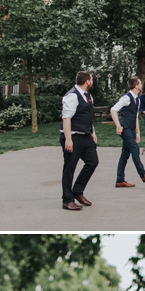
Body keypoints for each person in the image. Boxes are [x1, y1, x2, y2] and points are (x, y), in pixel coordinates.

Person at [60, 70, 98, 211]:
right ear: (87, 81)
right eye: (91, 79)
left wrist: (92, 132)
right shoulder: (72, 96)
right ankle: (67, 200)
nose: (92, 81)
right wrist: (68, 139)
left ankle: (77, 191)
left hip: (86, 136)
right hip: (73, 136)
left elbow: (88, 116)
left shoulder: (88, 96)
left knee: (93, 162)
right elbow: (66, 118)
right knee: (69, 168)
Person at [111, 76, 145, 188]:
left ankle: (119, 180)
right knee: (134, 148)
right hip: (124, 127)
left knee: (125, 154)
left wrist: (138, 133)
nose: (141, 85)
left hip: (130, 128)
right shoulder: (126, 98)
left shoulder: (137, 99)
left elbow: (136, 117)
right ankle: (143, 174)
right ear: (135, 85)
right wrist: (118, 126)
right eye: (140, 83)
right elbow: (113, 110)